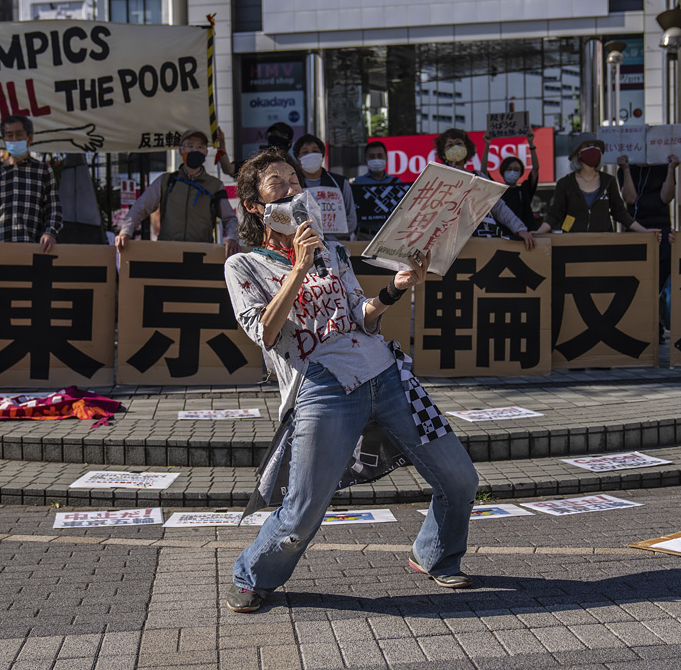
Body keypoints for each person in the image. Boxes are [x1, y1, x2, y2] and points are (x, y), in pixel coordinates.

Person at [223, 150, 478, 613]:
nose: (292, 190)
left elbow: (361, 315)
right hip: (322, 388)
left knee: (460, 478)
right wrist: (298, 268)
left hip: (386, 373)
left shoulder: (334, 251)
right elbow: (265, 332)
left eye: (295, 181)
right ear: (256, 207)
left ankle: (436, 553)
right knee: (303, 510)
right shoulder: (244, 266)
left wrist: (397, 288)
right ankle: (252, 574)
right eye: (277, 185)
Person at [115, 129, 238, 257]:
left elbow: (229, 218)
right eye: (190, 146)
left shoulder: (215, 185)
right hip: (167, 254)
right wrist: (126, 231)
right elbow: (141, 207)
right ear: (180, 150)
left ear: (206, 152)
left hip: (201, 255)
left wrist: (232, 238)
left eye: (200, 147)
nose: (195, 150)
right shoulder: (166, 181)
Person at [0, 114, 62, 258]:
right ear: (4, 140)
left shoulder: (43, 170)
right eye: (9, 135)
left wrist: (50, 233)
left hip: (35, 249)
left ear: (29, 138)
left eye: (19, 134)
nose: (14, 139)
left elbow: (53, 208)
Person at [534, 137, 659, 239]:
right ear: (577, 153)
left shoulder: (608, 181)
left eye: (596, 146)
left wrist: (644, 231)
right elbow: (555, 214)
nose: (593, 149)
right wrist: (539, 232)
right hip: (573, 244)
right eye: (588, 146)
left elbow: (620, 213)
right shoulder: (565, 183)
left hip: (603, 242)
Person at [435, 128, 534, 250]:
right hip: (453, 247)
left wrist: (520, 229)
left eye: (459, 143)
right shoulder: (439, 180)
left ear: (466, 148)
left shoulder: (479, 177)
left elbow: (498, 207)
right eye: (450, 145)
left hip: (485, 241)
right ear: (443, 154)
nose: (455, 148)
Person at [619, 153, 681, 343]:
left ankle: (656, 325)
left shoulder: (662, 166)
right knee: (636, 280)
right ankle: (637, 325)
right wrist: (626, 169)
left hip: (661, 228)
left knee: (659, 281)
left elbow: (666, 197)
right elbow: (630, 198)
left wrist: (671, 169)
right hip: (635, 229)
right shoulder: (626, 168)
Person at [292, 133, 358, 238]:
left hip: (337, 242)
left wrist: (333, 239)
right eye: (305, 152)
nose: (311, 155)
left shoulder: (340, 182)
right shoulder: (292, 185)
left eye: (315, 151)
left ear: (322, 156)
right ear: (298, 159)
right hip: (304, 242)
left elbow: (351, 218)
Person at [490, 128, 541, 235]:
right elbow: (484, 171)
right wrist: (487, 145)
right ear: (503, 171)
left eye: (516, 169)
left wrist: (531, 144)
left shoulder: (524, 189)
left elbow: (535, 169)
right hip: (504, 236)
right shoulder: (498, 190)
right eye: (509, 169)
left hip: (527, 235)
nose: (512, 172)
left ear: (521, 172)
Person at [217, 122, 295, 178]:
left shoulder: (293, 167)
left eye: (280, 135)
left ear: (290, 142)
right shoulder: (258, 163)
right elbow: (229, 169)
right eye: (273, 134)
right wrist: (222, 145)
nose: (275, 137)